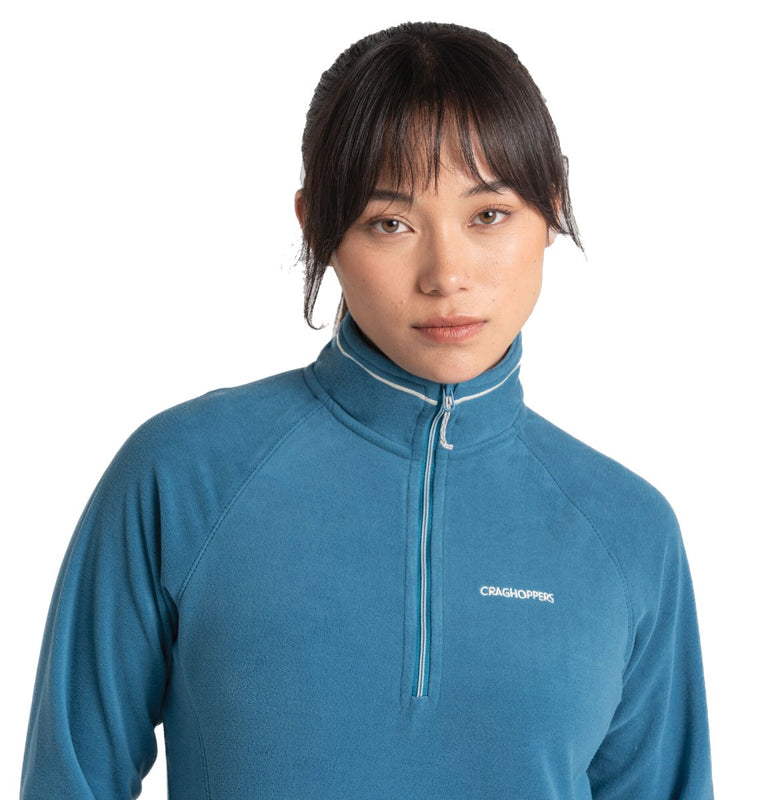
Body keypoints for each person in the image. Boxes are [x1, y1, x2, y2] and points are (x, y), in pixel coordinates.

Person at [20, 21, 713, 799]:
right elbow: (68, 782)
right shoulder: (183, 475)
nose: (446, 274)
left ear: (551, 209)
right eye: (391, 223)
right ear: (318, 227)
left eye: (488, 215)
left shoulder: (627, 528)